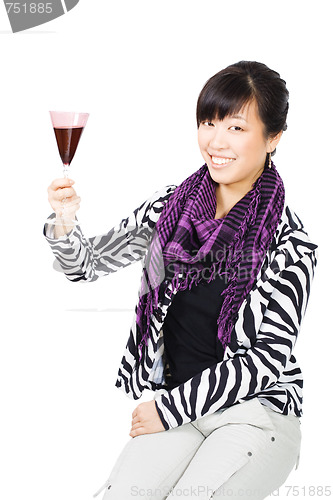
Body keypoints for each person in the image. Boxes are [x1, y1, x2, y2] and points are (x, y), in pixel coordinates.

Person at [44, 61, 318, 500]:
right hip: (179, 410)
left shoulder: (290, 244)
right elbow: (87, 264)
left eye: (236, 127)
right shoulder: (171, 211)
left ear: (273, 139)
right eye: (208, 123)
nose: (216, 141)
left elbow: (265, 359)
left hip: (253, 414)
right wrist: (64, 219)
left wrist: (168, 410)